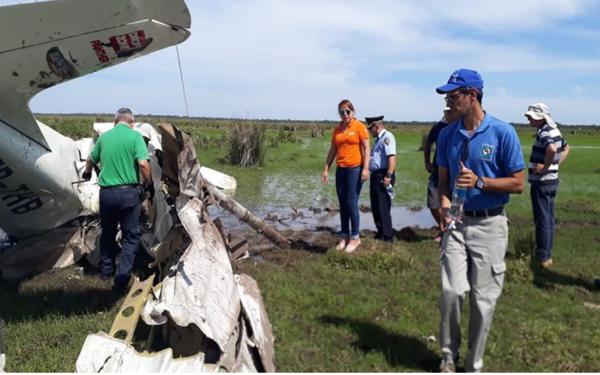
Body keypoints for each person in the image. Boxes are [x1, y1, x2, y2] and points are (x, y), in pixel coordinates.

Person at [435, 69, 525, 372]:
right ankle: (449, 356)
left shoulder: (502, 132)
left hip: (490, 224)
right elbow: (442, 181)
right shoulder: (448, 134)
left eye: (453, 95)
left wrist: (480, 182)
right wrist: (446, 208)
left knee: (482, 302)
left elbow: (518, 183)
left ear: (472, 95)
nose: (448, 101)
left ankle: (473, 365)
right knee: (451, 292)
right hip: (457, 224)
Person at [82, 108, 154, 293]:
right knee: (131, 237)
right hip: (128, 194)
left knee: (107, 233)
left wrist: (88, 172)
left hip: (106, 194)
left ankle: (106, 272)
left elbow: (90, 158)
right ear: (132, 123)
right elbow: (143, 163)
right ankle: (121, 280)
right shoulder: (135, 137)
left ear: (115, 123)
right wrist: (149, 183)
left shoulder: (104, 138)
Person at [524, 103, 570, 269]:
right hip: (552, 181)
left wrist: (544, 168)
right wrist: (554, 166)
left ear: (540, 117)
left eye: (531, 117)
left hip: (542, 183)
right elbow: (566, 148)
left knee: (542, 219)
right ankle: (547, 253)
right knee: (549, 218)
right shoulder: (555, 130)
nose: (528, 119)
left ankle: (543, 257)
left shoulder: (544, 131)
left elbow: (551, 149)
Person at [322, 99, 370, 253]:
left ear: (353, 111)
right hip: (341, 170)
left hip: (355, 169)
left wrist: (365, 169)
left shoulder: (359, 127)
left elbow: (367, 148)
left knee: (351, 202)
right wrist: (326, 169)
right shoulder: (337, 130)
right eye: (342, 112)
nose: (345, 115)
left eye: (347, 111)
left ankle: (355, 238)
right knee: (343, 204)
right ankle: (344, 236)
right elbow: (332, 150)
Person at [423, 109, 457, 241]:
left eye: (450, 112)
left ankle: (449, 232)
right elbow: (428, 144)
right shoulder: (439, 127)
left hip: (454, 174)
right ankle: (444, 226)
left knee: (455, 203)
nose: (448, 114)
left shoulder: (462, 125)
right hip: (437, 171)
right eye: (447, 112)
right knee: (433, 203)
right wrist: (427, 162)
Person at [367, 115, 396, 243]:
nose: (369, 131)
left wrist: (388, 175)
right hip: (376, 175)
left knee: (383, 207)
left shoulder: (387, 138)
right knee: (376, 206)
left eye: (370, 128)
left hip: (383, 175)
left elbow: (391, 157)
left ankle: (388, 237)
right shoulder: (378, 139)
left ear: (376, 127)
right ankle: (380, 233)